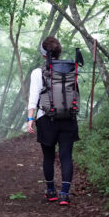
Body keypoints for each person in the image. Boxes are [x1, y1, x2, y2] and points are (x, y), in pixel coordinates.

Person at [26, 36, 79, 206]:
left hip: (46, 118)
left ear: (43, 54)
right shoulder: (71, 69)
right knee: (66, 156)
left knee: (48, 156)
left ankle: (51, 191)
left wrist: (30, 119)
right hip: (68, 118)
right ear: (59, 51)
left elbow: (33, 97)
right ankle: (64, 194)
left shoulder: (38, 72)